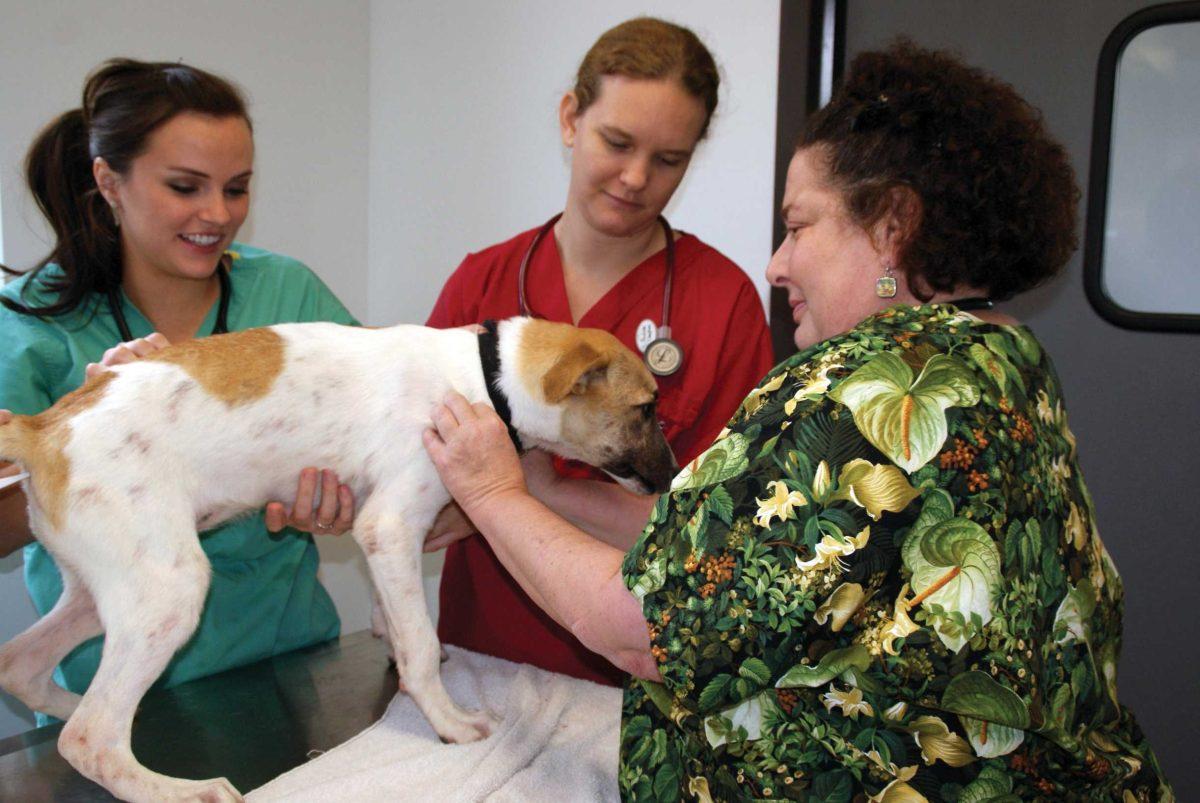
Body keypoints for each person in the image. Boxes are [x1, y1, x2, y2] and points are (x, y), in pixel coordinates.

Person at [423, 41, 1173, 801]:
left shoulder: (864, 396)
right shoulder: (1005, 354)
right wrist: (529, 489)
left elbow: (646, 628)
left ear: (892, 227)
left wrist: (494, 493)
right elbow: (742, 559)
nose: (777, 264)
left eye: (799, 227)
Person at [424, 16, 774, 686]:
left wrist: (509, 487)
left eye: (669, 159)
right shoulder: (484, 283)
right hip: (481, 658)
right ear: (569, 118)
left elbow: (716, 537)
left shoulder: (721, 302)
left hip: (637, 680)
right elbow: (420, 459)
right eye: (617, 142)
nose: (636, 177)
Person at [0, 59, 357, 711]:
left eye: (237, 187)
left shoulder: (287, 292)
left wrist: (343, 493)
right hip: (110, 689)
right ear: (109, 180)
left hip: (287, 668)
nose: (217, 215)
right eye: (186, 186)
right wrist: (86, 442)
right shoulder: (28, 324)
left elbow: (378, 437)